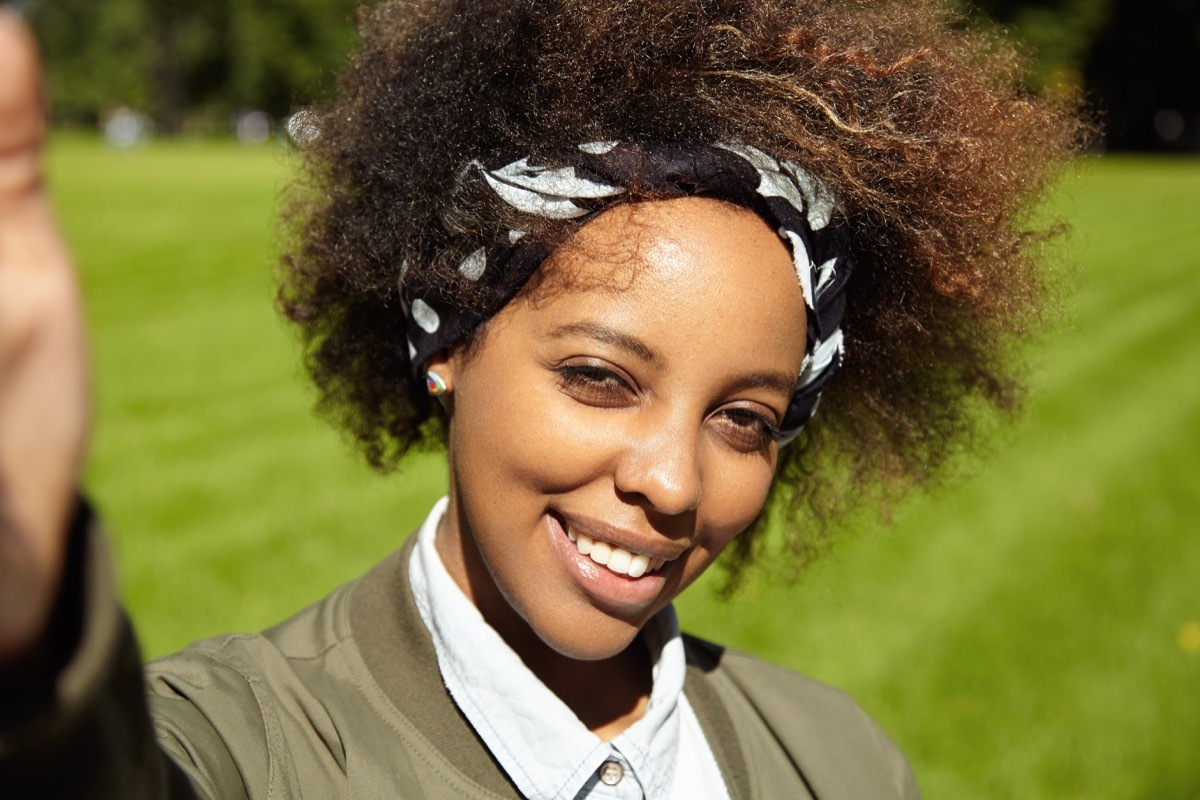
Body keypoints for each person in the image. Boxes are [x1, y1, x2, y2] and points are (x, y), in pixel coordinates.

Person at [0, 1, 1085, 797]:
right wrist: (34, 649)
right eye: (601, 378)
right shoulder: (249, 743)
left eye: (744, 419)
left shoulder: (836, 759)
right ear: (449, 344)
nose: (671, 480)